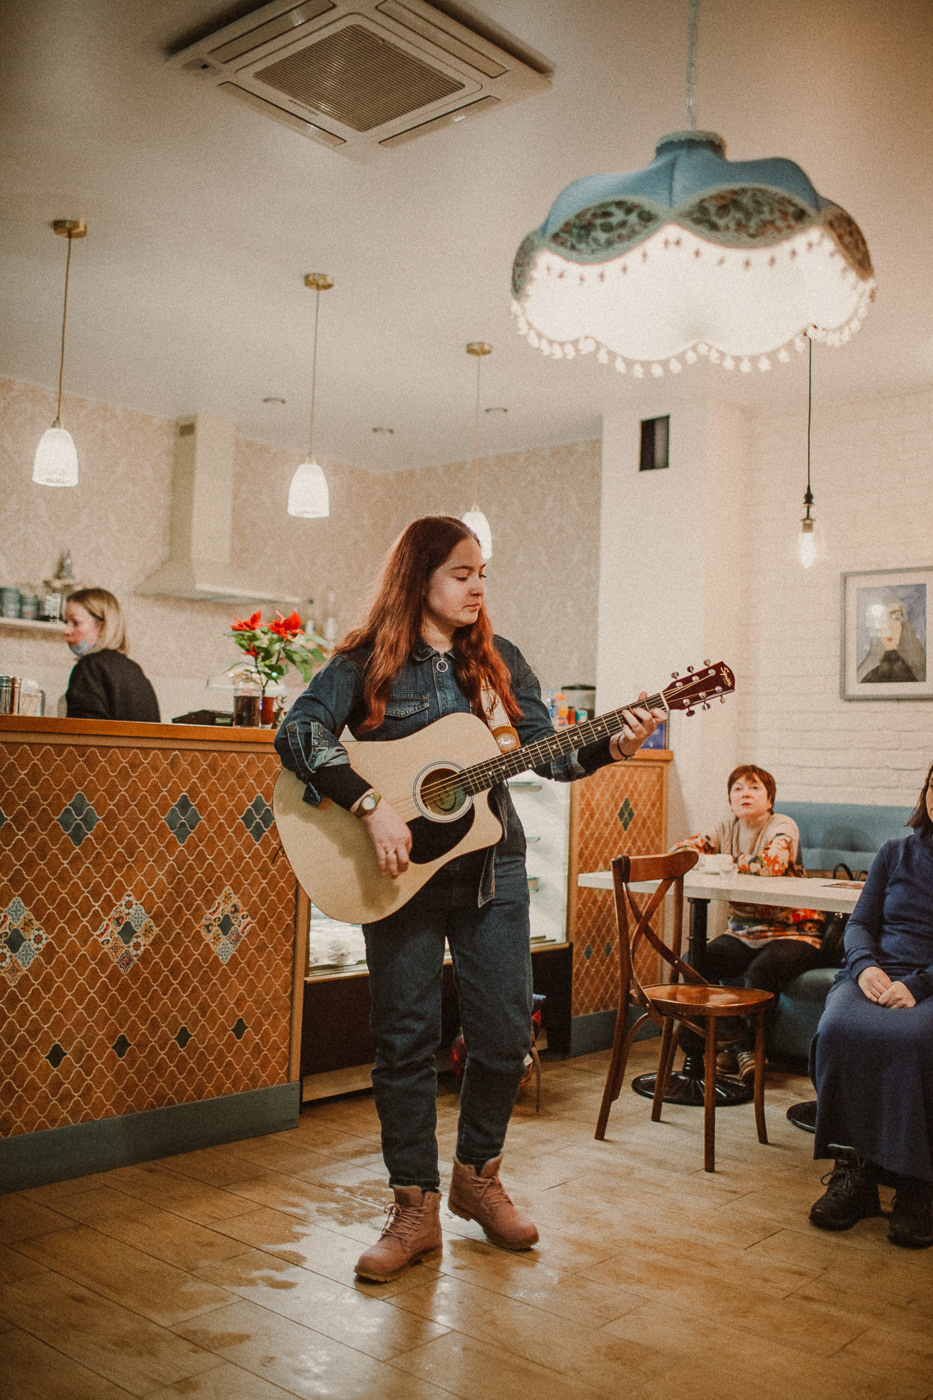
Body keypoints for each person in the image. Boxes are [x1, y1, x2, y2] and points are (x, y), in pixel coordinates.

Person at [275, 516, 663, 1282]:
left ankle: (475, 1180)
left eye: (481, 570)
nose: (477, 585)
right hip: (398, 875)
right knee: (404, 1040)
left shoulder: (499, 662)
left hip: (493, 869)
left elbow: (548, 754)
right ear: (418, 579)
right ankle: (412, 1205)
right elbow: (299, 733)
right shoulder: (364, 661)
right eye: (460, 572)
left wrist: (611, 744)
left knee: (503, 1037)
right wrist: (368, 804)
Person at [808, 760, 933, 1249]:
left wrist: (919, 986)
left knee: (914, 1039)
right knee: (838, 1028)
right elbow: (859, 923)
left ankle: (918, 1185)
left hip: (927, 985)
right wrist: (865, 968)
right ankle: (854, 1172)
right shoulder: (895, 852)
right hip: (876, 972)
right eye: (932, 785)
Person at [674, 764, 825, 1079]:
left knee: (759, 972)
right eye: (738, 789)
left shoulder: (782, 824)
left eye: (754, 787)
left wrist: (721, 862)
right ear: (730, 801)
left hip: (795, 932)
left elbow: (773, 863)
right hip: (744, 932)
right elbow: (680, 853)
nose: (745, 793)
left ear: (769, 799)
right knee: (694, 961)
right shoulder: (725, 828)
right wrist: (710, 858)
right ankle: (711, 1050)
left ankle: (745, 1050)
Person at [64, 588, 160, 723]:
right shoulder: (134, 669)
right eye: (65, 622)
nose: (66, 631)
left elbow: (85, 734)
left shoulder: (89, 667)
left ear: (102, 627)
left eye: (75, 623)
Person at [857, 591, 926, 684]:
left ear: (903, 625)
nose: (889, 627)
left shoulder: (919, 672)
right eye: (882, 619)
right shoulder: (867, 675)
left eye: (896, 618)